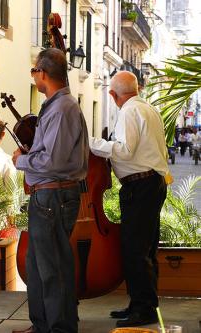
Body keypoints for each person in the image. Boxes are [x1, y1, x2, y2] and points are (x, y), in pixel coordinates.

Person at [11, 48, 89, 333]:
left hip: (53, 196)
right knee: (36, 265)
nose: (33, 76)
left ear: (42, 73)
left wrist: (22, 160)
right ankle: (41, 324)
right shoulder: (57, 105)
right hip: (47, 195)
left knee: (52, 268)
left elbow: (52, 161)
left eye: (34, 71)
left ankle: (60, 328)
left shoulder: (62, 107)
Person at [89, 71, 168, 328]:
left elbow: (124, 150)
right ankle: (142, 304)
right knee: (146, 249)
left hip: (140, 185)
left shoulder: (128, 112)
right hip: (152, 182)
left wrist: (91, 143)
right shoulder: (149, 109)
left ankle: (142, 308)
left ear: (113, 95)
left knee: (135, 249)